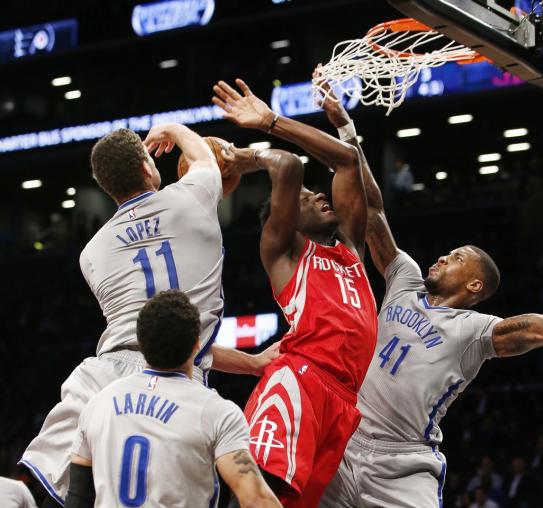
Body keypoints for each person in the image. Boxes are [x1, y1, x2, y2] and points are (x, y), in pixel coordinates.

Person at [314, 77, 543, 508]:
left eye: (456, 257)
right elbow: (375, 210)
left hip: (403, 464)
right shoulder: (405, 278)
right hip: (345, 439)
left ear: (475, 285)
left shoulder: (474, 331)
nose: (442, 257)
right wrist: (347, 131)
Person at [21, 124, 279, 506]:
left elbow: (155, 340)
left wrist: (252, 363)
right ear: (147, 166)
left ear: (106, 187)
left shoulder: (91, 253)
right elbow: (205, 158)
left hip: (102, 382)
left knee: (40, 489)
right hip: (177, 379)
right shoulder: (193, 196)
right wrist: (173, 130)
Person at [212, 79, 377, 507]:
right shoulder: (285, 250)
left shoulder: (351, 247)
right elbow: (287, 168)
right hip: (299, 381)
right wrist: (255, 143)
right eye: (306, 199)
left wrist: (329, 123)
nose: (319, 195)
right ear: (288, 219)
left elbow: (346, 162)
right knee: (257, 497)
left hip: (343, 401)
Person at [65, 290, 281, 508]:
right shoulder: (216, 411)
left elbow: (77, 498)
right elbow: (256, 500)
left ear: (141, 341)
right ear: (198, 345)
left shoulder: (98, 404)